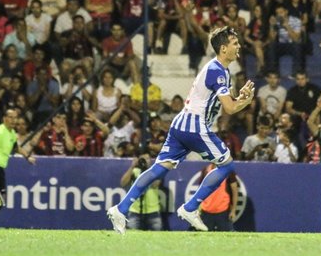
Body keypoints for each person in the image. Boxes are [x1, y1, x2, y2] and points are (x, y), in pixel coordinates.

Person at [107, 26, 255, 234]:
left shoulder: (220, 70)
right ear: (223, 48)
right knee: (227, 164)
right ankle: (191, 207)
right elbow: (230, 108)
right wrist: (244, 101)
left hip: (180, 125)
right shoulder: (217, 70)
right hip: (195, 124)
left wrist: (241, 100)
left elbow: (226, 105)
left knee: (159, 168)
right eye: (234, 43)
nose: (238, 46)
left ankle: (120, 209)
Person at [120, 154, 163, 231]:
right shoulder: (135, 171)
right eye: (143, 159)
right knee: (132, 237)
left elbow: (155, 185)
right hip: (134, 210)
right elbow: (123, 183)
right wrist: (132, 166)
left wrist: (148, 168)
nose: (145, 160)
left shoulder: (155, 172)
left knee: (156, 236)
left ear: (151, 161)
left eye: (147, 159)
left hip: (153, 210)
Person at [198, 163, 239, 231]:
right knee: (204, 238)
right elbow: (200, 190)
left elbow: (235, 191)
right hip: (206, 211)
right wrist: (198, 208)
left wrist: (233, 210)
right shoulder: (205, 170)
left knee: (226, 238)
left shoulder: (228, 171)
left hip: (223, 211)